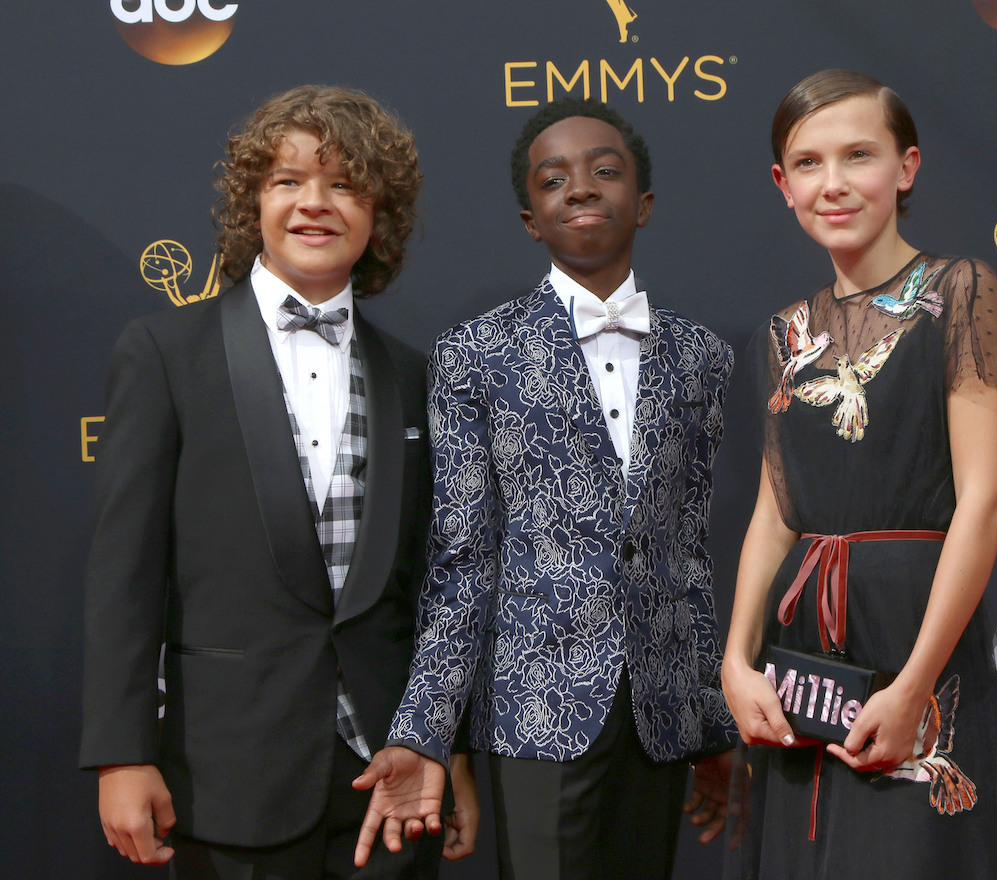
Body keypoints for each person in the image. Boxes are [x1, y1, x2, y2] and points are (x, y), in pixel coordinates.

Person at [80, 84, 477, 879]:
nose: (315, 203)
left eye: (344, 183)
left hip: (388, 783)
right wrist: (121, 754)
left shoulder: (411, 373)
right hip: (227, 778)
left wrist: (445, 744)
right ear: (252, 202)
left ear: (380, 213)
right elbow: (127, 569)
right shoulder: (165, 352)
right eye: (288, 180)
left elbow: (437, 583)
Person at [353, 98, 741, 880]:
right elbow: (460, 559)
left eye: (606, 171)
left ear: (645, 203)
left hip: (661, 713)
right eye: (554, 178)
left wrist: (710, 722)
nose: (581, 188)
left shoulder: (702, 356)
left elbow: (687, 553)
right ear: (532, 218)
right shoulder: (476, 354)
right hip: (535, 708)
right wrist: (429, 730)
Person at [721, 69, 997, 878]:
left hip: (915, 636)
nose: (833, 184)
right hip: (805, 662)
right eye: (809, 162)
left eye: (858, 155)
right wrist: (737, 659)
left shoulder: (962, 292)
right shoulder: (785, 331)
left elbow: (985, 503)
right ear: (781, 184)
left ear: (907, 167)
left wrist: (915, 687)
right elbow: (774, 513)